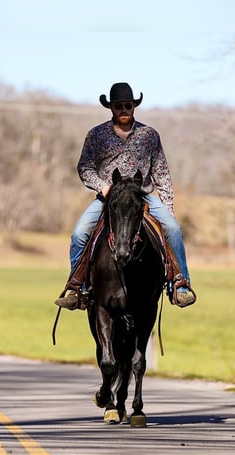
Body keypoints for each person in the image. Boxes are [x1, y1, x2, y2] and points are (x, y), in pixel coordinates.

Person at [55, 82, 196, 310]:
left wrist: (168, 206)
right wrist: (103, 187)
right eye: (118, 106)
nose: (124, 110)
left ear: (134, 106)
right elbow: (84, 167)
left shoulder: (149, 135)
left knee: (173, 228)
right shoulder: (96, 135)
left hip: (143, 197)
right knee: (80, 233)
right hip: (109, 198)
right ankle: (78, 288)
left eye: (128, 105)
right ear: (111, 108)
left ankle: (180, 285)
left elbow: (161, 172)